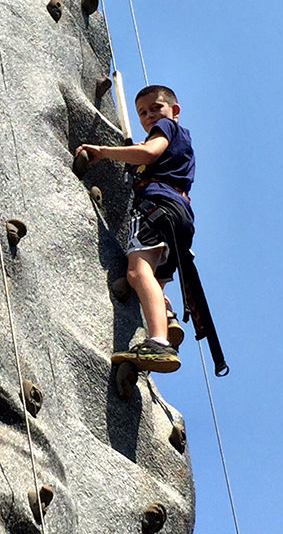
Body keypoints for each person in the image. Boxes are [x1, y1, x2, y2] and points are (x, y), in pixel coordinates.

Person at [76, 84, 194, 373]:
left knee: (137, 271)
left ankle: (158, 342)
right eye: (143, 112)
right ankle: (166, 315)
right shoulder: (181, 142)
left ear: (173, 111)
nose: (150, 115)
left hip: (156, 206)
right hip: (180, 216)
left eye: (156, 108)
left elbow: (150, 152)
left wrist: (103, 152)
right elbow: (146, 151)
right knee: (153, 278)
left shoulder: (166, 129)